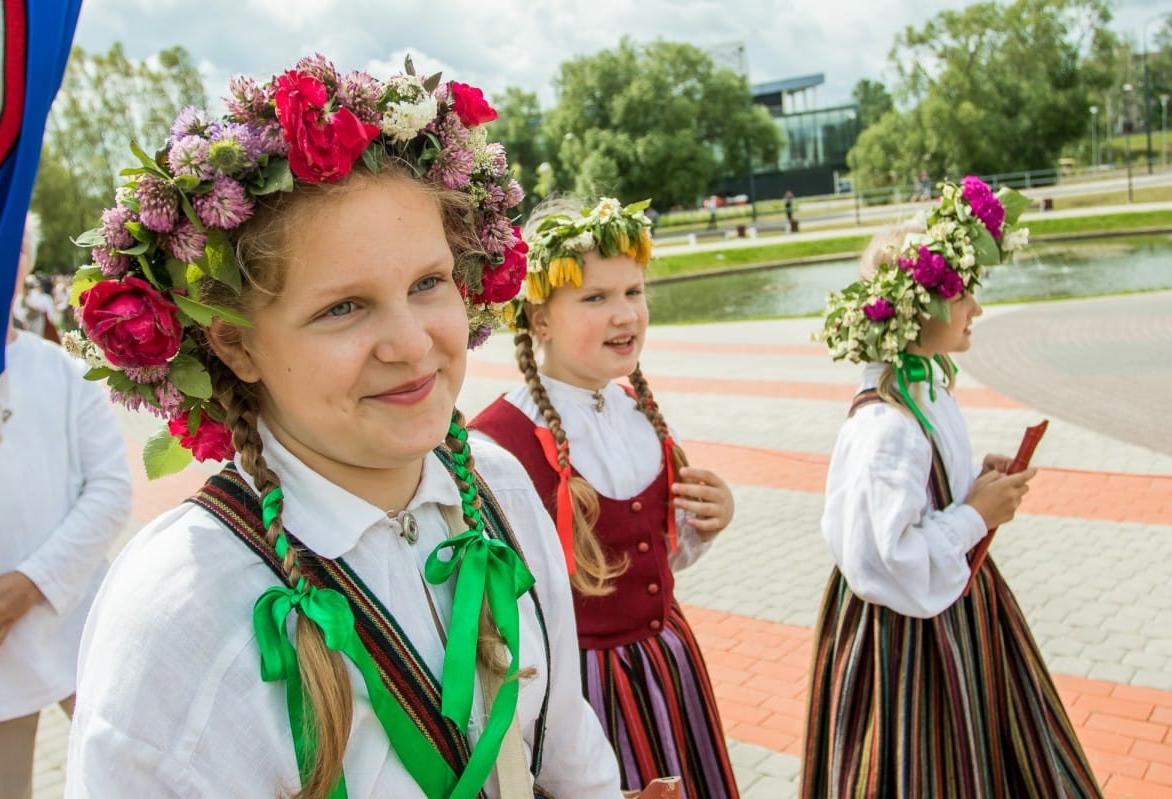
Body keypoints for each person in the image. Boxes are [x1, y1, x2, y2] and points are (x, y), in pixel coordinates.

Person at [61, 56, 625, 799]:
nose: (412, 344)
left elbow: (568, 745)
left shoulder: (500, 487)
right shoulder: (181, 610)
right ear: (236, 345)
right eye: (343, 308)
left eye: (428, 283)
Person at [801, 177, 1103, 797]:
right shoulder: (886, 424)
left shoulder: (927, 383)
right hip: (906, 640)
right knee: (920, 767)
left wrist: (973, 484)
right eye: (964, 294)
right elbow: (886, 558)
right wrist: (973, 516)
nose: (978, 310)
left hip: (955, 608)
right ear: (918, 308)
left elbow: (924, 494)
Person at [469, 196, 740, 799]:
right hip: (583, 692)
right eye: (596, 298)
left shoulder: (638, 411)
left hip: (669, 668)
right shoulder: (499, 443)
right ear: (539, 317)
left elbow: (653, 557)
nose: (625, 314)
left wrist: (707, 525)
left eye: (633, 292)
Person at [0, 211, 132, 799]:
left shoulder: (62, 371)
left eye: (9, 251)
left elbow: (112, 491)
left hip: (75, 619)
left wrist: (32, 581)